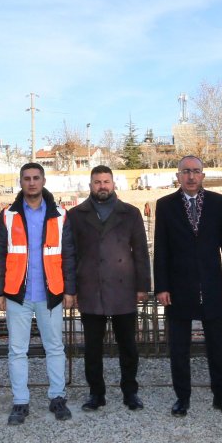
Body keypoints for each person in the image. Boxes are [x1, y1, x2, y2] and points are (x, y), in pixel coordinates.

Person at [154, 156, 222, 418]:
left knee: (217, 347)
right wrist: (162, 287)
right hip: (178, 288)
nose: (191, 176)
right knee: (179, 348)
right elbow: (161, 249)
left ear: (203, 175)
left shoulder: (218, 202)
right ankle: (182, 398)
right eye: (186, 171)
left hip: (212, 286)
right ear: (178, 176)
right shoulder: (165, 205)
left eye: (196, 171)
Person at [63, 165, 150, 411]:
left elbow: (140, 252)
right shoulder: (76, 214)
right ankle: (96, 393)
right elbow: (70, 254)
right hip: (90, 287)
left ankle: (130, 392)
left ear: (113, 184)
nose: (102, 186)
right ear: (90, 185)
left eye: (106, 181)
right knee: (92, 348)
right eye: (97, 182)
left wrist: (143, 286)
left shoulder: (130, 213)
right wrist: (71, 289)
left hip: (124, 288)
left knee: (128, 346)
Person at [0, 163, 72, 424]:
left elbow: (69, 255)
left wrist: (70, 290)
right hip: (18, 294)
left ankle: (57, 397)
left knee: (55, 348)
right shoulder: (8, 215)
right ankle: (20, 401)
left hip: (51, 294)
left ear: (44, 180)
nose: (32, 182)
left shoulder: (60, 215)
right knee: (17, 350)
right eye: (26, 178)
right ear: (21, 182)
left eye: (36, 178)